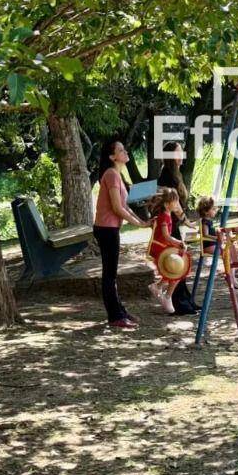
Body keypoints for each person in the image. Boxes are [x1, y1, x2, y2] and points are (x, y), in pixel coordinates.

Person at [93, 137, 147, 330]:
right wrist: (138, 224)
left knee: (111, 274)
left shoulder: (116, 175)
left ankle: (119, 311)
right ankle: (115, 315)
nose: (125, 152)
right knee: (109, 274)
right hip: (106, 229)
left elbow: (124, 206)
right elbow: (117, 208)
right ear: (112, 156)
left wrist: (141, 222)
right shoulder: (112, 175)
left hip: (110, 228)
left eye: (125, 149)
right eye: (121, 150)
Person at [156, 142, 198, 314]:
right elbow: (175, 205)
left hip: (174, 224)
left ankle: (185, 300)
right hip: (169, 225)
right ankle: (177, 303)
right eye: (178, 152)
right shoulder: (167, 175)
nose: (182, 154)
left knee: (180, 263)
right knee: (176, 264)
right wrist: (188, 222)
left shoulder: (176, 174)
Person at [146, 187, 190, 314]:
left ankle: (159, 287)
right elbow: (166, 236)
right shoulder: (164, 217)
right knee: (175, 269)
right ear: (166, 204)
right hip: (159, 247)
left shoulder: (167, 215)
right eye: (175, 202)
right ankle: (166, 295)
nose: (177, 204)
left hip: (163, 246)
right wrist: (178, 242)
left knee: (178, 268)